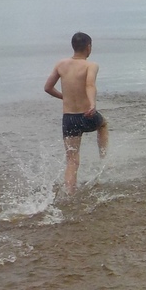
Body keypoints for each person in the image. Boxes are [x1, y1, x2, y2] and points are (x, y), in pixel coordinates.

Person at [44, 31, 108, 194]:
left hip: (69, 119)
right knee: (103, 124)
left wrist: (64, 97)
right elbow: (90, 85)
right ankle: (104, 158)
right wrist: (92, 104)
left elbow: (48, 88)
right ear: (88, 47)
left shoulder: (61, 64)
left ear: (73, 46)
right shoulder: (91, 65)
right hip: (87, 115)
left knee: (72, 161)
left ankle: (70, 193)